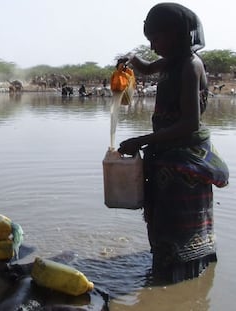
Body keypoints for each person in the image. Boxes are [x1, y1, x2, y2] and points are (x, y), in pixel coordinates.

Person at [117, 3, 229, 284]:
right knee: (161, 219)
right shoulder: (169, 62)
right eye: (149, 40)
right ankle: (166, 278)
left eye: (156, 38)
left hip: (185, 157)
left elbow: (190, 123)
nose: (153, 45)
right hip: (165, 153)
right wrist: (130, 58)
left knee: (179, 222)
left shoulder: (190, 66)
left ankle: (181, 277)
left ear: (177, 34)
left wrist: (140, 140)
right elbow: (144, 67)